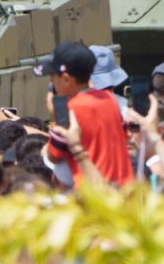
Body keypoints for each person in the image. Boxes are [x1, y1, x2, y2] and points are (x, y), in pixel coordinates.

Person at [43, 41, 133, 186]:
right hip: (122, 186)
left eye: (52, 77)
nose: (51, 82)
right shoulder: (109, 99)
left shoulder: (68, 110)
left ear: (65, 79)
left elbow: (54, 155)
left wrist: (45, 149)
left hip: (93, 191)